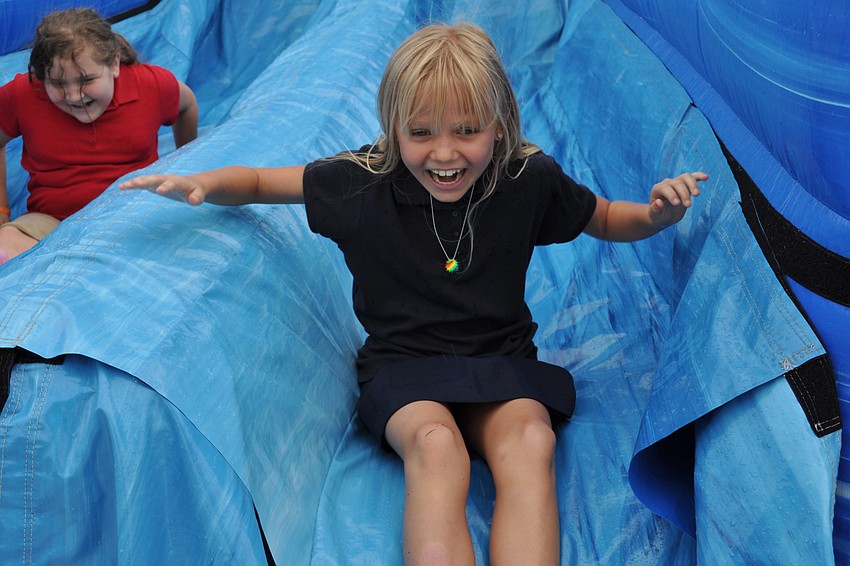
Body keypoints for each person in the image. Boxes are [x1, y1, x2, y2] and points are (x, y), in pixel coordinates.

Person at [120, 22, 706, 566]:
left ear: (499, 127)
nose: (444, 153)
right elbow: (259, 182)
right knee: (437, 449)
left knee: (530, 442)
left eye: (467, 132)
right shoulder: (361, 183)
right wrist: (200, 180)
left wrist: (655, 215)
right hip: (404, 367)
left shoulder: (527, 178)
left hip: (500, 359)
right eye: (420, 133)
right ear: (392, 126)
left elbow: (602, 216)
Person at [0, 7, 198, 263]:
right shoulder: (23, 94)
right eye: (58, 84)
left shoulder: (150, 86)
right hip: (52, 220)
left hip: (135, 214)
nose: (74, 96)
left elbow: (188, 105)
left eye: (86, 80)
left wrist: (189, 166)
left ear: (114, 64)